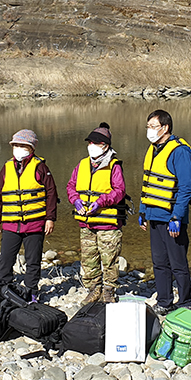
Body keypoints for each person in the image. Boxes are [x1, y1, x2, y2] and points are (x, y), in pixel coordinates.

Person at [138, 109, 191, 311]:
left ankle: (185, 303)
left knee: (178, 263)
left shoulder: (179, 151)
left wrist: (177, 216)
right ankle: (164, 301)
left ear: (165, 127)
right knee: (159, 262)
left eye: (153, 126)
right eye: (148, 126)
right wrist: (143, 211)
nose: (150, 130)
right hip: (154, 215)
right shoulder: (153, 149)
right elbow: (147, 183)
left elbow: (187, 186)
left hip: (172, 217)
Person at [0, 129, 57, 302]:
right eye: (16, 145)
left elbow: (51, 193)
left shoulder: (40, 167)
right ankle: (4, 288)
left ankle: (31, 291)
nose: (19, 149)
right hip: (11, 224)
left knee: (33, 260)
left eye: (23, 146)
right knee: (6, 259)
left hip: (35, 224)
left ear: (31, 148)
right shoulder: (6, 167)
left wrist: (50, 218)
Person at [67, 123, 127, 304]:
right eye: (90, 142)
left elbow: (119, 191)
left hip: (107, 223)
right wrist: (75, 200)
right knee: (88, 259)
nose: (91, 146)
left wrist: (100, 202)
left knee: (109, 259)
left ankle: (108, 291)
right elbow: (71, 185)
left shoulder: (114, 166)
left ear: (105, 146)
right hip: (86, 222)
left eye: (95, 143)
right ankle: (94, 289)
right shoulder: (82, 164)